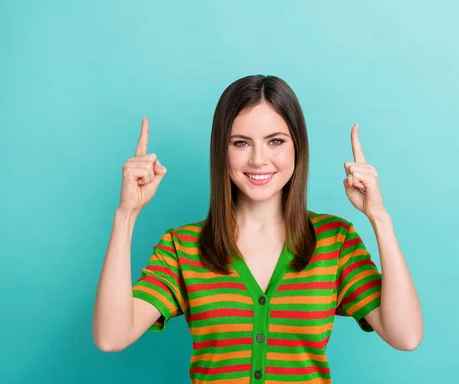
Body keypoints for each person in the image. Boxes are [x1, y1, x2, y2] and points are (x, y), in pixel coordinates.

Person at [92, 75, 423, 383]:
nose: (258, 160)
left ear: (298, 147)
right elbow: (111, 337)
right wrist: (126, 214)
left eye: (275, 141)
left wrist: (379, 217)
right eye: (240, 143)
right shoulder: (183, 246)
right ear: (221, 150)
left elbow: (405, 336)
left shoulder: (335, 241)